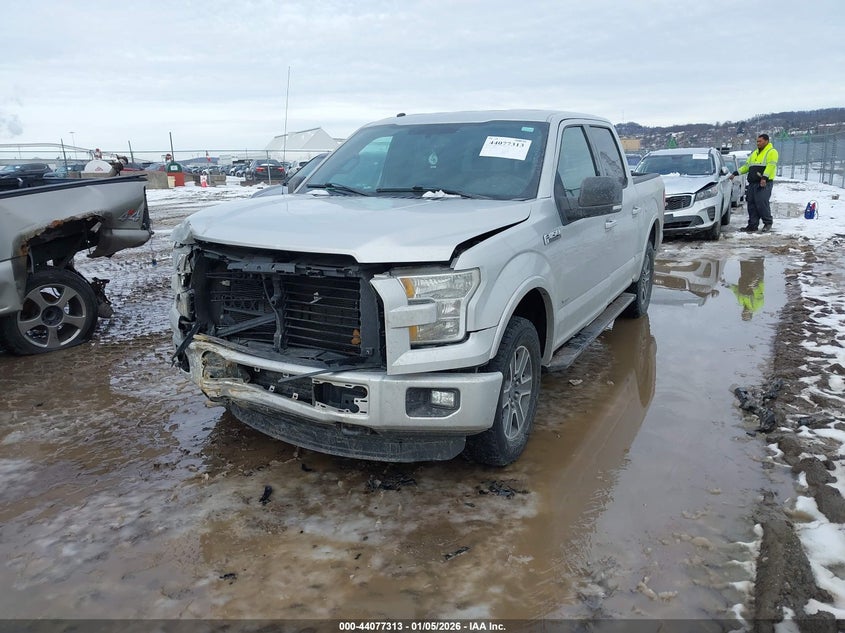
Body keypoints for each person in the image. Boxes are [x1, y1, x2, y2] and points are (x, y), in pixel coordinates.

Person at [729, 134, 778, 232]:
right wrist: (736, 173)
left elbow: (771, 166)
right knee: (751, 204)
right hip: (752, 183)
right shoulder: (755, 153)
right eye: (757, 141)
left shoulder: (771, 152)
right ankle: (752, 225)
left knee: (762, 203)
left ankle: (767, 223)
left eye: (760, 141)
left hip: (764, 183)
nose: (758, 143)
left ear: (766, 141)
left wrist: (764, 178)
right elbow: (747, 167)